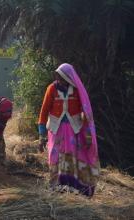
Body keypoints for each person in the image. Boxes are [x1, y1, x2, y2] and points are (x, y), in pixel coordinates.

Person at [38, 63, 99, 197]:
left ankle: (73, 188)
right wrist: (41, 134)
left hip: (73, 130)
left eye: (62, 76)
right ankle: (55, 187)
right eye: (58, 76)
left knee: (72, 158)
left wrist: (88, 134)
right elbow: (44, 111)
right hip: (56, 130)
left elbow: (85, 112)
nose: (59, 79)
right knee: (55, 157)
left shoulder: (77, 90)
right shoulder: (51, 89)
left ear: (68, 77)